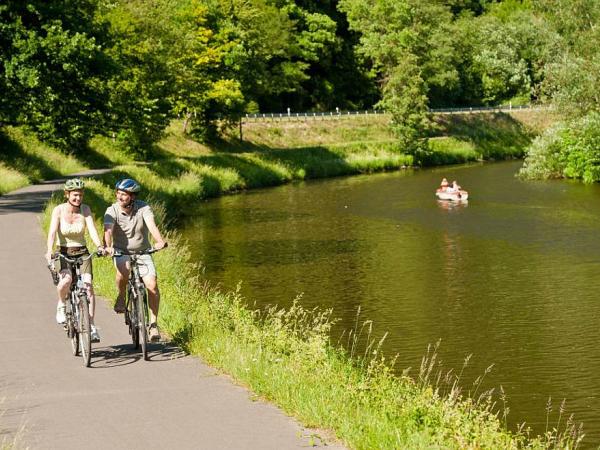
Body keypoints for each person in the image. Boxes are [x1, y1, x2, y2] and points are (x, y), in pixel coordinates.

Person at [103, 178, 167, 342]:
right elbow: (108, 231)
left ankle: (153, 325)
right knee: (123, 271)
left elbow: (151, 225)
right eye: (118, 193)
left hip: (143, 252)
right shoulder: (112, 210)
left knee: (152, 285)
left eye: (123, 194)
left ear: (132, 196)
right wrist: (108, 246)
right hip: (121, 252)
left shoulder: (143, 207)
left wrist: (159, 241)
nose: (119, 196)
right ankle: (122, 295)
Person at [45, 178, 104, 342]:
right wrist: (49, 251)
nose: (78, 198)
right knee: (66, 281)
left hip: (82, 252)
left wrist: (100, 246)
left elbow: (92, 229)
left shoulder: (85, 210)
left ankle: (91, 326)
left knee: (88, 286)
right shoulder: (58, 210)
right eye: (75, 195)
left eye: (80, 195)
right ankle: (62, 305)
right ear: (67, 194)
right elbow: (51, 233)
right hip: (63, 252)